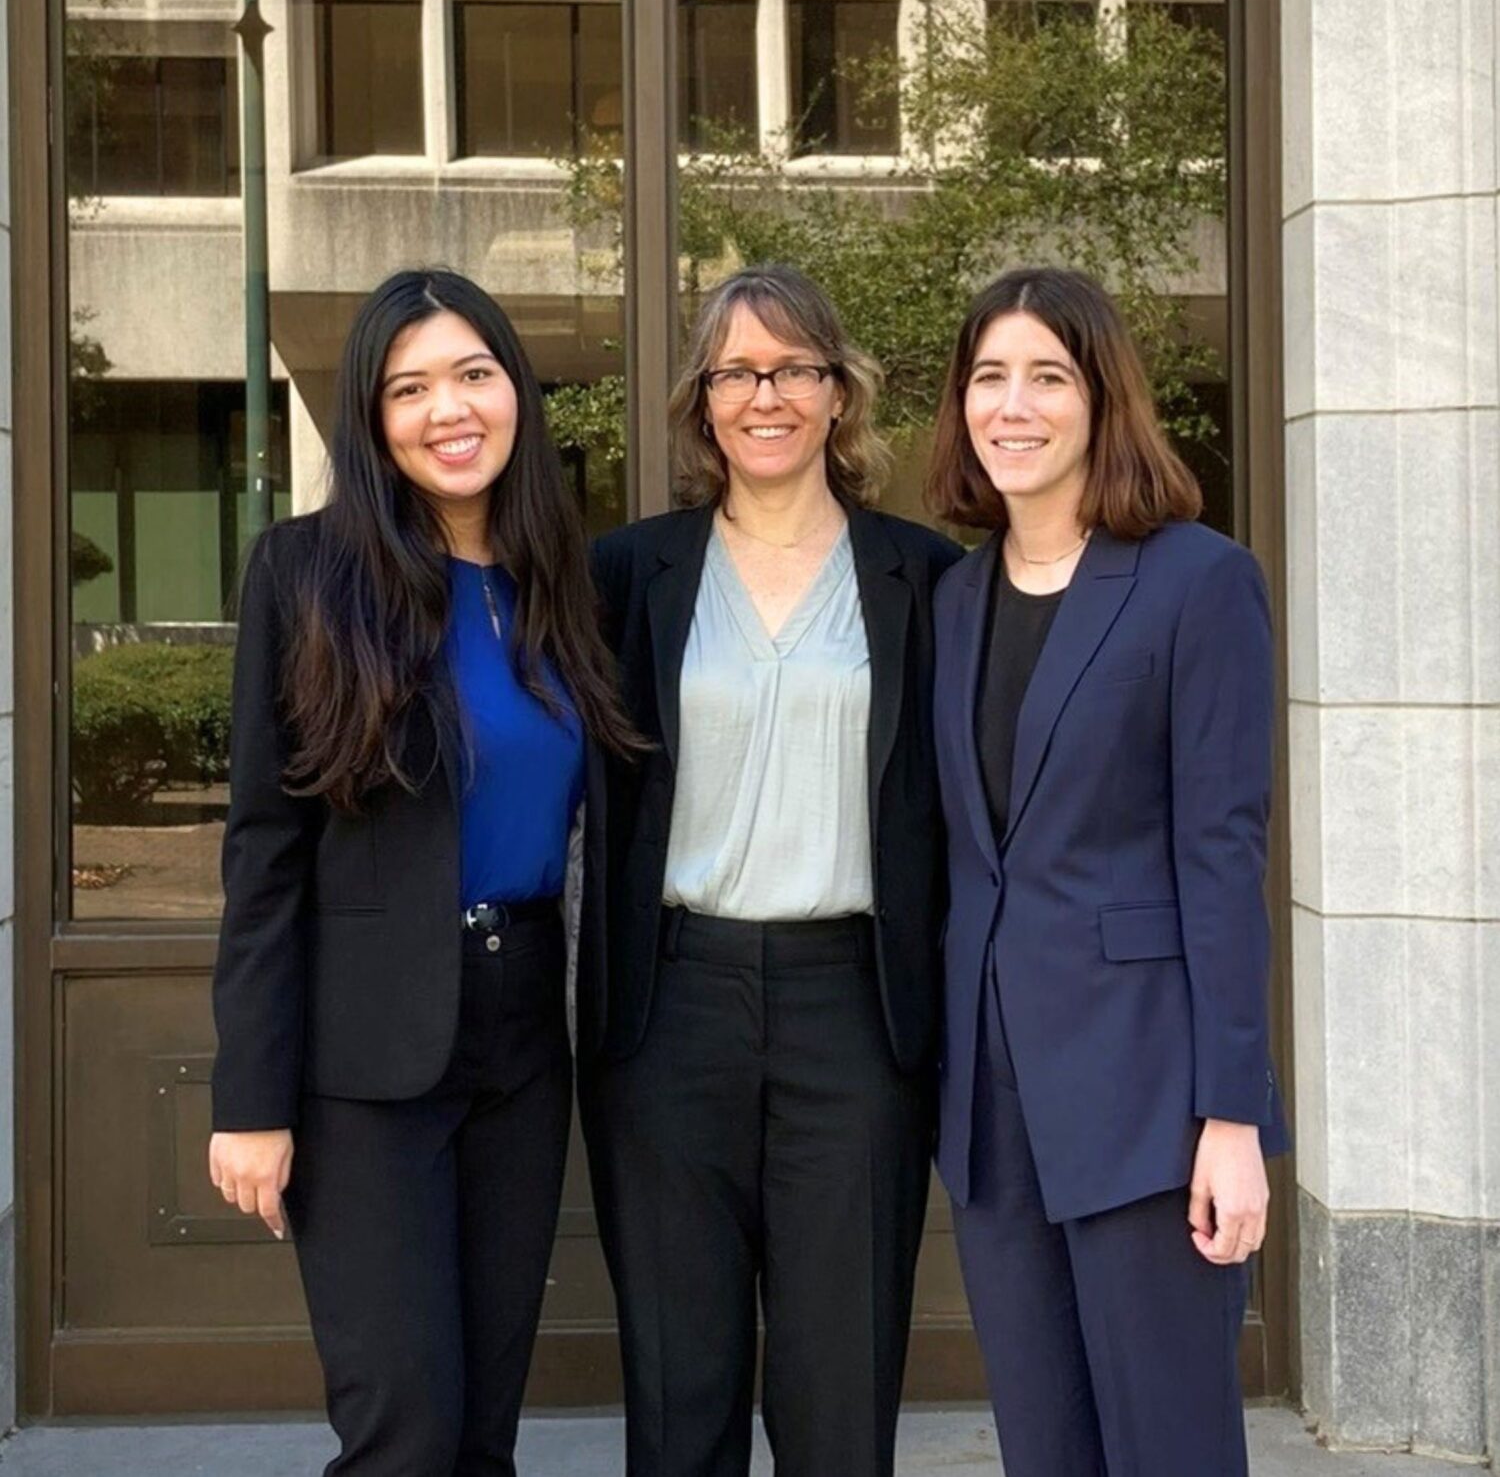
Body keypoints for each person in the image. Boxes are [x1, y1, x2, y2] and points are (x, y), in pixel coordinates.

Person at [206, 268, 637, 1477]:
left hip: (518, 1041)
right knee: (406, 1429)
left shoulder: (568, 587)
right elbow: (264, 848)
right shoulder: (303, 575)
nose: (449, 410)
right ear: (372, 418)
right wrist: (251, 1095)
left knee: (485, 1431)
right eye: (410, 388)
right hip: (362, 1055)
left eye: (474, 375)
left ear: (516, 393)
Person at [580, 264, 961, 1477]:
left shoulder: (929, 581)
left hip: (854, 1008)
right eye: (738, 371)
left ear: (839, 395)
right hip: (671, 1005)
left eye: (795, 368)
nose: (767, 395)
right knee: (678, 1385)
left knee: (838, 1386)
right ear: (703, 401)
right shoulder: (630, 575)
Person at [925, 266, 1289, 1477]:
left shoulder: (1197, 580)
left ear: (1100, 399)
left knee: (1169, 1446)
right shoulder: (954, 598)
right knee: (1045, 1447)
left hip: (1147, 1097)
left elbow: (1223, 858)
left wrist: (1232, 1119)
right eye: (989, 377)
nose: (1012, 406)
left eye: (1046, 376)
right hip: (994, 1106)